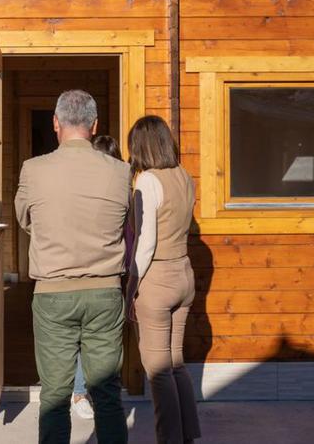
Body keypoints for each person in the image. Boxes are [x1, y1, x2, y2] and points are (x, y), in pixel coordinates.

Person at [15, 90, 131, 444]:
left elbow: (24, 218)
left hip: (53, 293)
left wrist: (54, 232)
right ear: (95, 126)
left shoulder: (33, 169)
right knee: (107, 392)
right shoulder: (122, 171)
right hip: (105, 291)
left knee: (54, 394)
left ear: (55, 123)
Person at [126, 115, 201, 443]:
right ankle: (186, 435)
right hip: (184, 273)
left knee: (157, 372)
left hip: (157, 277)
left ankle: (168, 439)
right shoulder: (185, 176)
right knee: (176, 364)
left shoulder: (148, 180)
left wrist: (132, 287)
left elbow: (146, 242)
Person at [66, 134, 123, 419]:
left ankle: (92, 390)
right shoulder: (80, 193)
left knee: (100, 339)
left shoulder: (120, 189)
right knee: (85, 336)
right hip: (83, 273)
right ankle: (78, 391)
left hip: (110, 273)